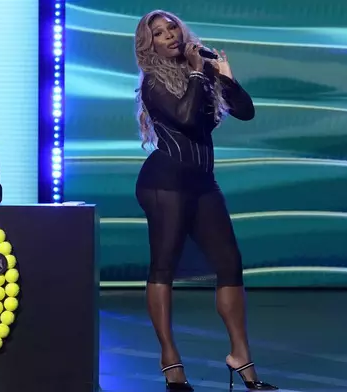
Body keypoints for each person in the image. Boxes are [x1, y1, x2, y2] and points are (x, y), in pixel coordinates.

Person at [134, 10, 278, 391]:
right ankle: (170, 360)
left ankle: (241, 357)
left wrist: (225, 77)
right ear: (150, 45)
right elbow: (183, 116)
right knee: (164, 266)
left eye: (172, 29)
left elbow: (246, 112)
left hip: (202, 183)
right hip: (164, 182)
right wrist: (200, 73)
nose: (169, 36)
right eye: (159, 33)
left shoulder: (202, 73)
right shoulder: (152, 83)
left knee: (230, 264)